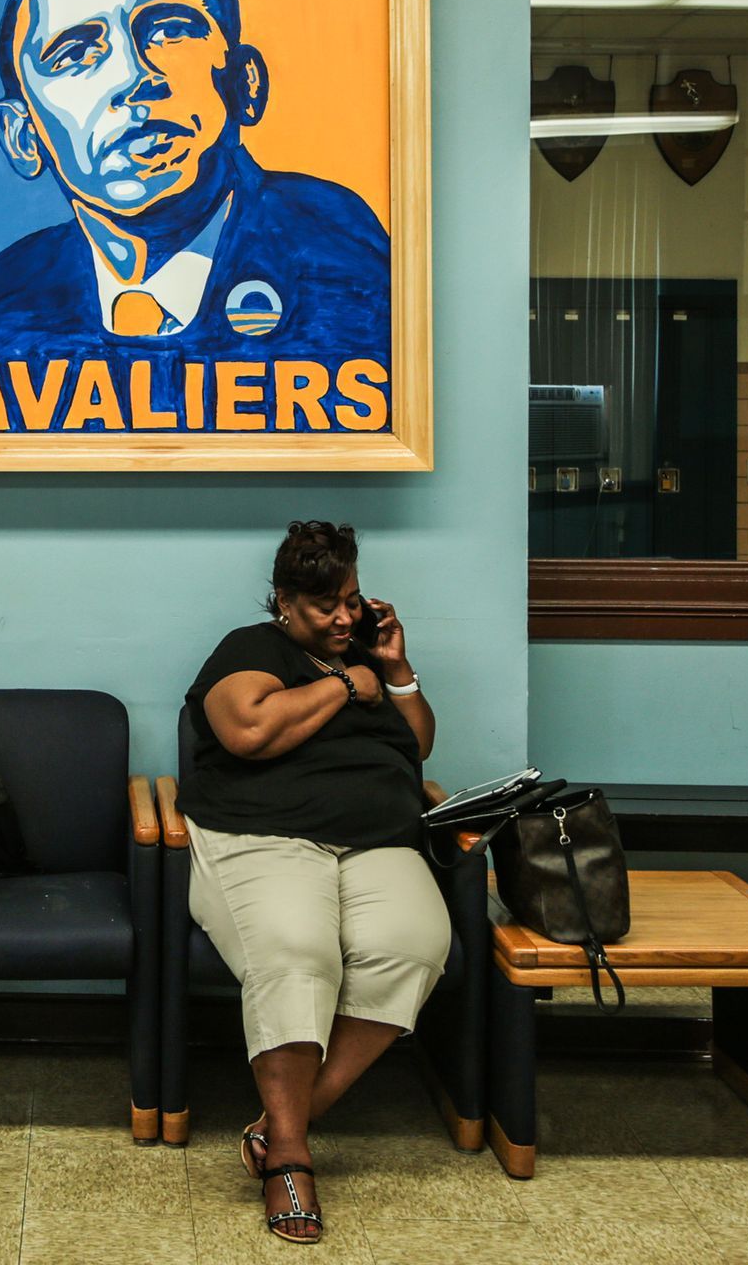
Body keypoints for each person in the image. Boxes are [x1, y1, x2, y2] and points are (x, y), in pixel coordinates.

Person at [0, 0, 391, 431]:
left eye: (170, 31)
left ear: (245, 82)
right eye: (73, 54)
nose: (134, 77)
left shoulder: (349, 268)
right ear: (24, 137)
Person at [180, 520, 449, 1244]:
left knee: (415, 941)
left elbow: (416, 743)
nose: (342, 617)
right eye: (324, 604)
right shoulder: (251, 649)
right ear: (284, 602)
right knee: (299, 951)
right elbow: (250, 732)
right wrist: (343, 683)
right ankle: (291, 1159)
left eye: (351, 600)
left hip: (377, 839)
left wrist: (395, 670)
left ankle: (281, 1122)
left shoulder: (367, 653)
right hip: (260, 835)